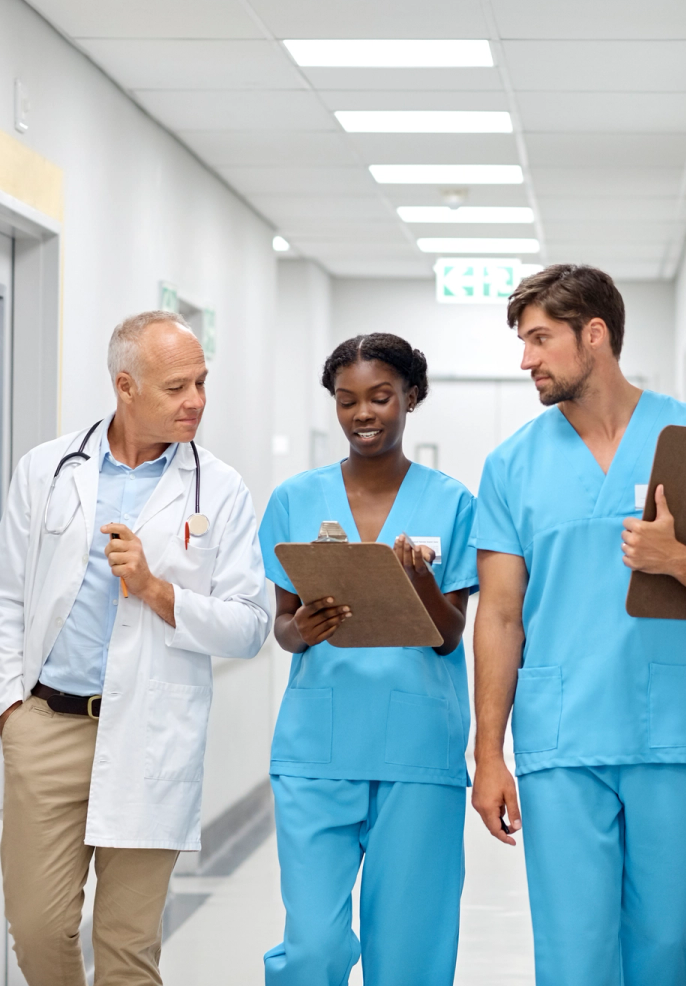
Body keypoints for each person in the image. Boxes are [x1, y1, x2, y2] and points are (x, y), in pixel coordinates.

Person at [471, 264, 686, 985]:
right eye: (523, 341)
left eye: (541, 339)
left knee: (665, 948)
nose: (527, 360)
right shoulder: (512, 465)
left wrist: (679, 559)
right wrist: (488, 756)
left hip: (667, 732)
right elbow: (501, 616)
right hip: (562, 737)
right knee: (576, 958)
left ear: (595, 336)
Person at [0, 310, 271, 986]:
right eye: (176, 387)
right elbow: (2, 597)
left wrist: (154, 589)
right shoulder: (48, 469)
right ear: (125, 386)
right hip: (47, 727)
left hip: (149, 730)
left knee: (127, 946)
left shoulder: (219, 488)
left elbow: (250, 624)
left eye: (201, 382)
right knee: (40, 929)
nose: (195, 400)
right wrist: (9, 711)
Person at [258, 333, 476, 986]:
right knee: (315, 947)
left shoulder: (453, 502)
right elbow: (284, 628)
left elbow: (449, 636)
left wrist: (418, 585)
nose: (363, 413)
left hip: (417, 751)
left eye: (380, 397)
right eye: (347, 400)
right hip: (317, 750)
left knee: (410, 955)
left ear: (411, 397)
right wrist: (304, 627)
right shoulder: (295, 499)